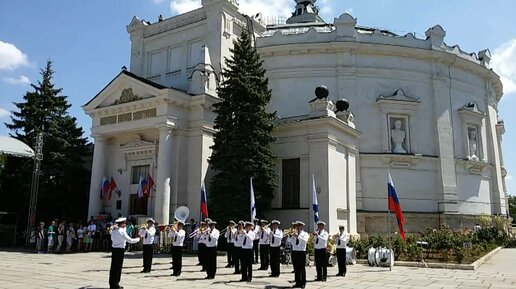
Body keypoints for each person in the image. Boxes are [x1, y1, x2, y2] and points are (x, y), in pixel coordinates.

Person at [109, 217, 140, 289]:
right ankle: (116, 284)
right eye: (124, 223)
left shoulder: (114, 231)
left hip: (114, 250)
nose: (125, 224)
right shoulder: (122, 231)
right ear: (122, 224)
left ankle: (112, 284)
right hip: (120, 250)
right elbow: (130, 240)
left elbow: (110, 230)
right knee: (118, 267)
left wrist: (113, 227)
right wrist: (138, 239)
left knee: (113, 267)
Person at [290, 221, 308, 288]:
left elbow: (305, 241)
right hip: (295, 251)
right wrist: (290, 236)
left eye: (299, 226)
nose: (298, 227)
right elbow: (290, 242)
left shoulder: (305, 234)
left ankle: (303, 283)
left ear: (302, 227)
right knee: (296, 268)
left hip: (301, 252)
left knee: (302, 268)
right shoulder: (294, 233)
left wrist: (298, 236)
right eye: (297, 226)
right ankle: (297, 282)